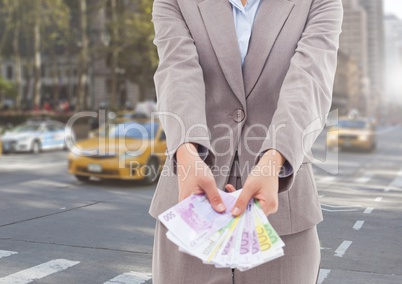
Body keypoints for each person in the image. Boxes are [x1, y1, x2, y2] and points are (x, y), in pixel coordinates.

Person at [149, 0, 343, 283]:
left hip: (283, 211)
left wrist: (274, 160)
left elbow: (310, 79)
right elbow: (177, 72)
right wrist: (188, 151)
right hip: (190, 207)